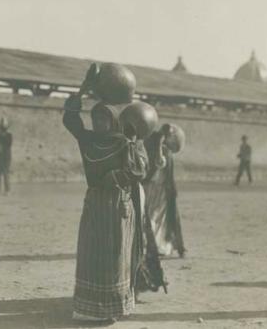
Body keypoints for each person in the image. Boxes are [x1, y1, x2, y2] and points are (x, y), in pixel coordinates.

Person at [63, 68, 150, 323]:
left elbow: (140, 170)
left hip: (117, 206)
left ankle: (111, 308)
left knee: (114, 255)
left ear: (113, 120)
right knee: (92, 252)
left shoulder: (125, 142)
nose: (98, 123)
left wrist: (117, 177)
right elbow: (70, 120)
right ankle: (88, 308)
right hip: (95, 204)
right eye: (96, 119)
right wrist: (82, 89)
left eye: (103, 119)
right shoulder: (88, 140)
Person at [143, 123, 186, 258]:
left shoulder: (152, 145)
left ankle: (155, 245)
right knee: (156, 217)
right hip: (156, 188)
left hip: (155, 188)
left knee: (154, 217)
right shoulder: (162, 150)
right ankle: (156, 245)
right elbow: (159, 166)